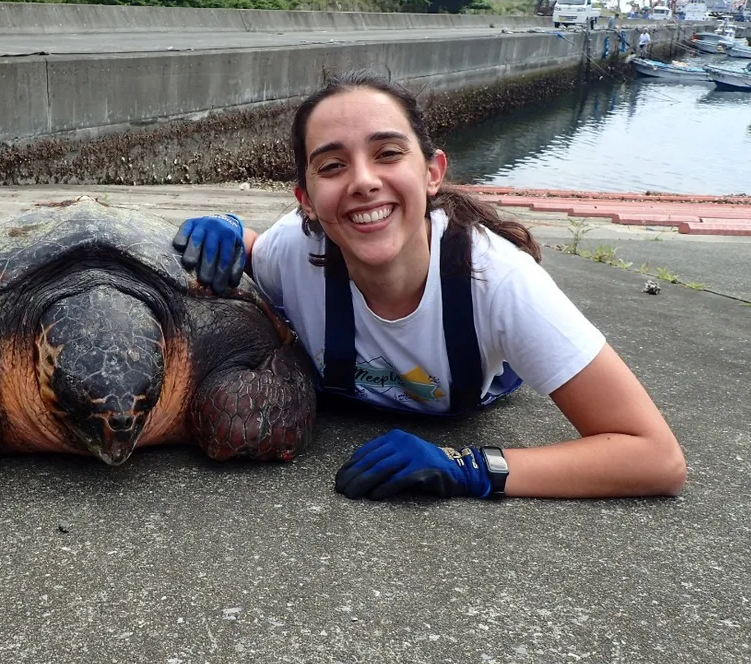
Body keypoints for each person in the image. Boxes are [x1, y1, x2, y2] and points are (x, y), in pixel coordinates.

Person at [171, 70, 685, 502]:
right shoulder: (293, 252)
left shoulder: (499, 282)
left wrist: (471, 468)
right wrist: (230, 232)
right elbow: (256, 250)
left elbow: (654, 455)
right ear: (306, 198)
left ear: (432, 170)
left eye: (388, 153)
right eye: (332, 165)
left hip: (477, 394)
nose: (363, 181)